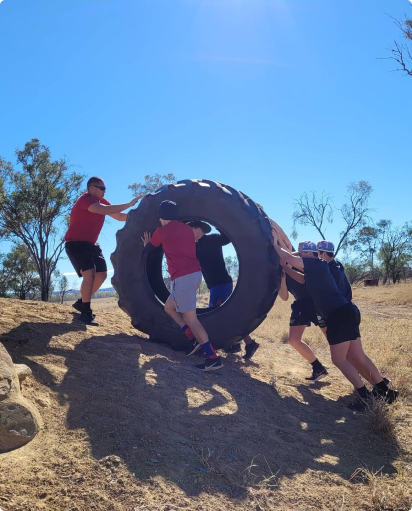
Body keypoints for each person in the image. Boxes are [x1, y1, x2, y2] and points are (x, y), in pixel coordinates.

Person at [272, 231, 398, 411]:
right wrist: (284, 267)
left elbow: (288, 258)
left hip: (338, 316)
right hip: (348, 312)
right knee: (357, 356)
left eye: (303, 254)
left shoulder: (316, 264)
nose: (301, 257)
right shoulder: (320, 269)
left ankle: (364, 396)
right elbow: (298, 276)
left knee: (338, 359)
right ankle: (385, 391)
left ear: (315, 254)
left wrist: (275, 244)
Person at [142, 201, 223, 371]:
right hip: (194, 275)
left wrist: (146, 244)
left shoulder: (161, 231)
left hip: (183, 278)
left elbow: (150, 248)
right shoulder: (187, 229)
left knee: (191, 319)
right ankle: (193, 340)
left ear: (160, 216)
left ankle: (213, 358)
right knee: (169, 308)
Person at [65, 177, 139, 325]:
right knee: (90, 274)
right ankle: (86, 313)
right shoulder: (85, 200)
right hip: (76, 244)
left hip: (92, 245)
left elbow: (118, 216)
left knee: (102, 275)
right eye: (102, 188)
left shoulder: (102, 202)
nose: (105, 191)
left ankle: (81, 303)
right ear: (92, 188)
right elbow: (105, 211)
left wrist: (140, 216)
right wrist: (129, 204)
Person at [187, 220, 259, 360]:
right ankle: (239, 344)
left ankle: (238, 344)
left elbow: (228, 237)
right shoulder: (195, 247)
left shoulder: (213, 239)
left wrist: (218, 222)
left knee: (218, 315)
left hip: (222, 284)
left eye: (190, 230)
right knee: (226, 314)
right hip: (214, 286)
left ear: (198, 229)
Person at [277, 241, 328, 381]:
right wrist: (282, 279)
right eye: (298, 254)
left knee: (334, 341)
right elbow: (284, 297)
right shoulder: (287, 268)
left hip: (318, 304)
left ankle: (370, 375)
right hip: (301, 305)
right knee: (293, 340)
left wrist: (285, 264)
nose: (300, 256)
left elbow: (302, 280)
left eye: (302, 254)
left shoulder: (311, 266)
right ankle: (318, 368)